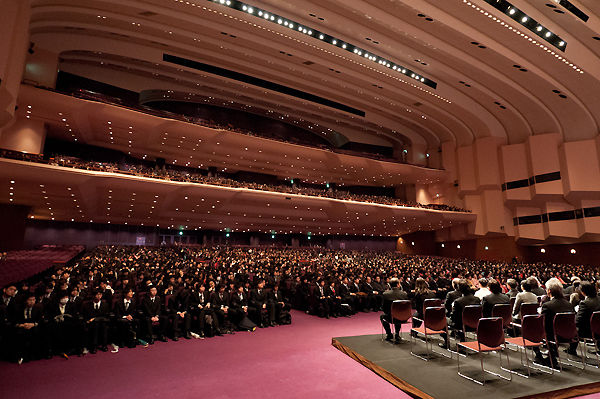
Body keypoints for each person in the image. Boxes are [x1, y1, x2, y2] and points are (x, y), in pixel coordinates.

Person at [541, 280, 575, 366]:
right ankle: (552, 352)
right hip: (569, 334)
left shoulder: (547, 305)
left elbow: (544, 323)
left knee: (532, 328)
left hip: (553, 335)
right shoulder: (569, 304)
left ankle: (543, 356)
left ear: (549, 291)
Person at [11, 293, 43, 364]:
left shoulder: (38, 308)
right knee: (19, 334)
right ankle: (20, 356)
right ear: (25, 301)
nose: (32, 302)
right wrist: (22, 325)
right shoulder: (18, 308)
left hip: (33, 326)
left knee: (38, 331)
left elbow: (40, 320)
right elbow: (13, 321)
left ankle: (33, 355)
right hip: (21, 326)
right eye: (30, 300)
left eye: (34, 300)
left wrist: (33, 324)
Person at [380, 278, 408, 343]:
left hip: (391, 317)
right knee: (398, 313)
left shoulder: (386, 294)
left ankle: (389, 334)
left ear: (390, 285)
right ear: (398, 285)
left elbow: (384, 308)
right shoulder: (404, 294)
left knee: (382, 316)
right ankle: (397, 334)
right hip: (404, 317)